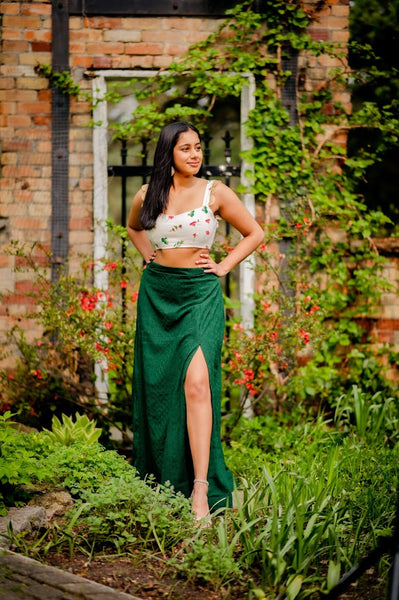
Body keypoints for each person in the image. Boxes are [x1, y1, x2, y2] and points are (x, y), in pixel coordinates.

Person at [127, 121, 263, 522]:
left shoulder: (215, 192)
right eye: (185, 148)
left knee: (198, 382)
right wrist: (147, 256)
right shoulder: (146, 194)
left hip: (200, 294)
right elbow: (134, 228)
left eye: (198, 148)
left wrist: (223, 266)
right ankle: (164, 475)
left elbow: (254, 233)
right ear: (168, 153)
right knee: (161, 385)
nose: (194, 154)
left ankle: (200, 488)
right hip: (158, 294)